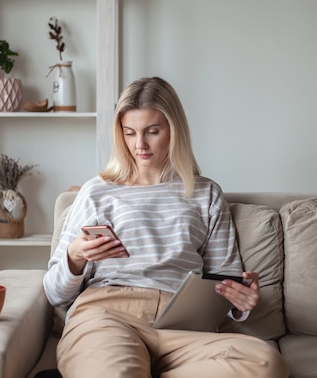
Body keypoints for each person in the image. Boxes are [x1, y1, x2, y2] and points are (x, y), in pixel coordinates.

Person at [43, 76, 289, 378]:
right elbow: (54, 293)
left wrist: (240, 303)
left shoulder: (206, 193)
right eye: (129, 133)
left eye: (152, 132)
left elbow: (225, 280)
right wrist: (76, 256)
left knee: (267, 363)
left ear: (174, 130)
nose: (139, 145)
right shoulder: (96, 192)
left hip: (184, 327)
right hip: (107, 316)